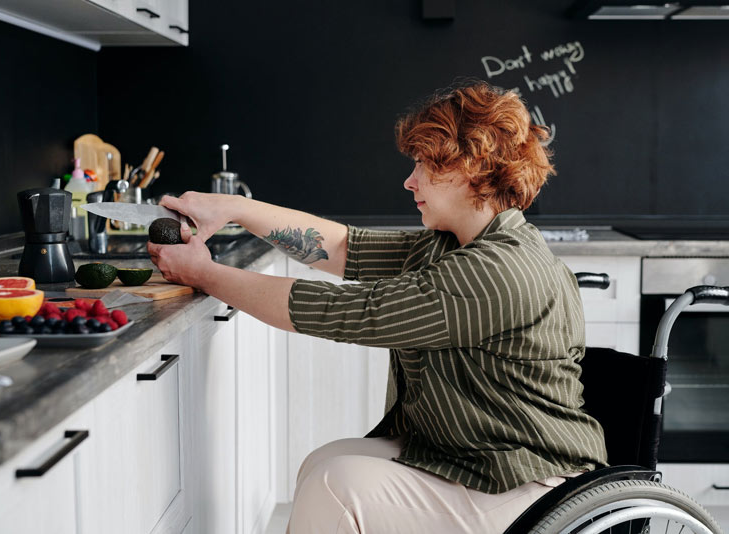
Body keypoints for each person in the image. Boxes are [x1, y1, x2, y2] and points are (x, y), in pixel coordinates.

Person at [148, 80, 608, 533]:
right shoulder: (449, 245)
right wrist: (233, 208)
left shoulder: (497, 269)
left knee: (334, 485)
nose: (409, 181)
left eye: (425, 164)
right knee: (322, 463)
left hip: (527, 483)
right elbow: (343, 247)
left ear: (470, 166)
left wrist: (203, 273)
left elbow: (343, 310)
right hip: (473, 453)